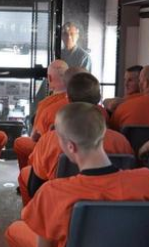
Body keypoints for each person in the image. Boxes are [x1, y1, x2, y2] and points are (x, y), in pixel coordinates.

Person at [5, 103, 149, 247]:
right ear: (103, 134)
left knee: (14, 231)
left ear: (70, 146)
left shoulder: (53, 192)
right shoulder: (148, 180)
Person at [18, 72, 133, 206]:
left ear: (68, 97)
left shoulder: (50, 138)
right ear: (99, 99)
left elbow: (34, 189)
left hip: (60, 204)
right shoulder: (121, 141)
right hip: (112, 204)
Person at [14, 60, 69, 169]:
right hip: (74, 151)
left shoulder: (46, 106)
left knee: (19, 142)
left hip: (49, 151)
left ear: (50, 78)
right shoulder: (83, 103)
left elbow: (35, 137)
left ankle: (29, 174)